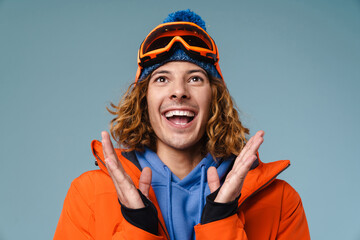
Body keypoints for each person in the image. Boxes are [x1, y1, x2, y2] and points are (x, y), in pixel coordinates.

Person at [54, 9, 310, 240]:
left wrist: (222, 219)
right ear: (143, 100)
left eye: (196, 78)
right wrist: (137, 226)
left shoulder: (280, 202)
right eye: (162, 78)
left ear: (215, 99)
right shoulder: (88, 195)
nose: (179, 91)